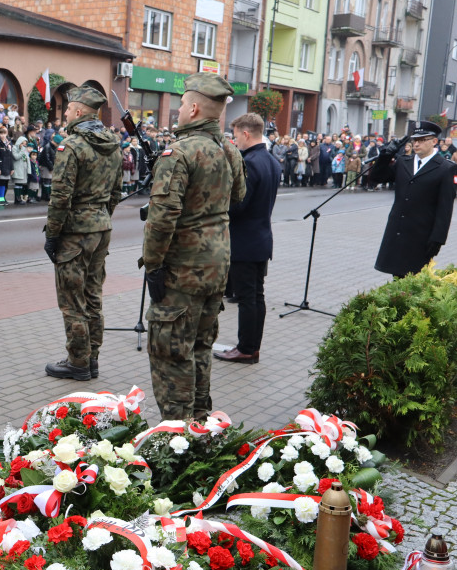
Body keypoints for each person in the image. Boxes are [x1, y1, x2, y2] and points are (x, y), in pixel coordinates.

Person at [141, 73, 246, 421]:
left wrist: (153, 265)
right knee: (201, 346)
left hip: (182, 270)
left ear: (195, 108)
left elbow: (161, 219)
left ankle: (177, 432)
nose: (179, 110)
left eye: (183, 104)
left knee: (171, 350)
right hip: (217, 266)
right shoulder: (228, 148)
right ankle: (199, 421)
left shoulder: (180, 152)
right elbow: (240, 197)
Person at [42, 85, 122, 381]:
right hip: (101, 227)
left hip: (75, 232)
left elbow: (60, 196)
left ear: (78, 112)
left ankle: (78, 362)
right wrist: (101, 216)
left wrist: (53, 234)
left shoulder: (72, 145)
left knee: (73, 300)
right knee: (92, 296)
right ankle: (92, 359)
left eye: (67, 110)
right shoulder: (113, 143)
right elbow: (116, 191)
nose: (64, 115)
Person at [214, 113, 280, 365]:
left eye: (235, 136)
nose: (234, 142)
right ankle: (252, 347)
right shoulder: (271, 161)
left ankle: (246, 348)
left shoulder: (250, 162)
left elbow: (239, 205)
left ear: (245, 133)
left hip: (244, 241)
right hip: (260, 239)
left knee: (247, 299)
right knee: (256, 297)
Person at [368, 121, 456, 279]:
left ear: (434, 141)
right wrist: (385, 156)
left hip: (421, 234)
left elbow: (445, 208)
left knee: (415, 282)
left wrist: (438, 239)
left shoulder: (445, 168)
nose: (416, 144)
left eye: (422, 140)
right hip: (398, 230)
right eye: (415, 140)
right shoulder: (404, 162)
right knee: (397, 279)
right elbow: (377, 177)